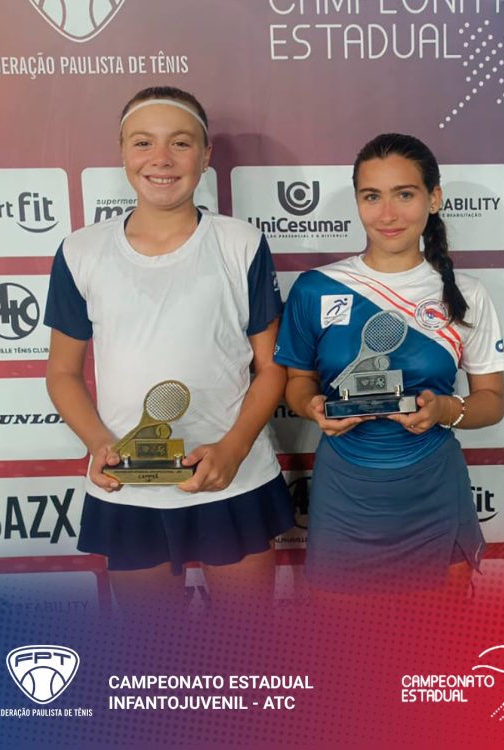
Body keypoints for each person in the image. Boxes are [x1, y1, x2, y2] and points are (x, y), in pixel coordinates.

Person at [44, 86, 293, 614]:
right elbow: (62, 373)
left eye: (180, 143)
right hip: (129, 486)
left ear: (205, 156)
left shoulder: (240, 243)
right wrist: (100, 445)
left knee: (250, 644)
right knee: (151, 648)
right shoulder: (80, 251)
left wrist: (233, 449)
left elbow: (272, 367)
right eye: (143, 142)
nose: (161, 158)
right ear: (122, 152)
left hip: (234, 477)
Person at [274, 133, 504, 597]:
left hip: (433, 488)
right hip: (345, 491)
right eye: (371, 196)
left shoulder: (467, 294)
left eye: (404, 194)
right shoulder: (316, 288)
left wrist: (444, 410)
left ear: (433, 199)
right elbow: (297, 382)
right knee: (341, 637)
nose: (387, 214)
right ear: (358, 202)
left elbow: (492, 402)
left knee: (439, 636)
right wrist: (314, 408)